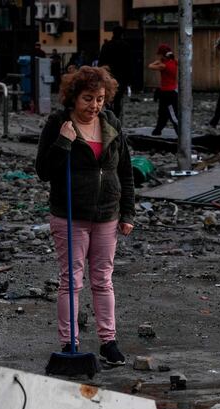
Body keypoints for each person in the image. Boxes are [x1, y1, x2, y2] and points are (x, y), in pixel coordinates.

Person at [35, 66, 135, 366]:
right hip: (69, 215)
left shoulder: (110, 123)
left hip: (107, 214)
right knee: (71, 281)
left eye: (100, 99)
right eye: (88, 99)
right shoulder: (58, 123)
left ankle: (109, 342)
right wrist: (63, 141)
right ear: (73, 98)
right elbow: (44, 171)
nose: (94, 106)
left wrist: (127, 212)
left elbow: (125, 170)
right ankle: (69, 343)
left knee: (103, 280)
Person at [98, 25, 131, 120]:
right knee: (118, 99)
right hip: (122, 77)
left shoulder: (106, 46)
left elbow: (101, 62)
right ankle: (116, 119)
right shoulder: (126, 46)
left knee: (108, 98)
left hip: (108, 76)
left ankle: (109, 115)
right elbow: (129, 64)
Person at [147, 44, 179, 136]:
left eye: (160, 55)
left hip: (168, 93)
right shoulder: (174, 62)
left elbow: (150, 66)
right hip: (170, 91)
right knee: (162, 113)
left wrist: (158, 61)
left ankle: (179, 132)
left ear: (163, 55)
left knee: (172, 114)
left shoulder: (164, 65)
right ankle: (157, 131)